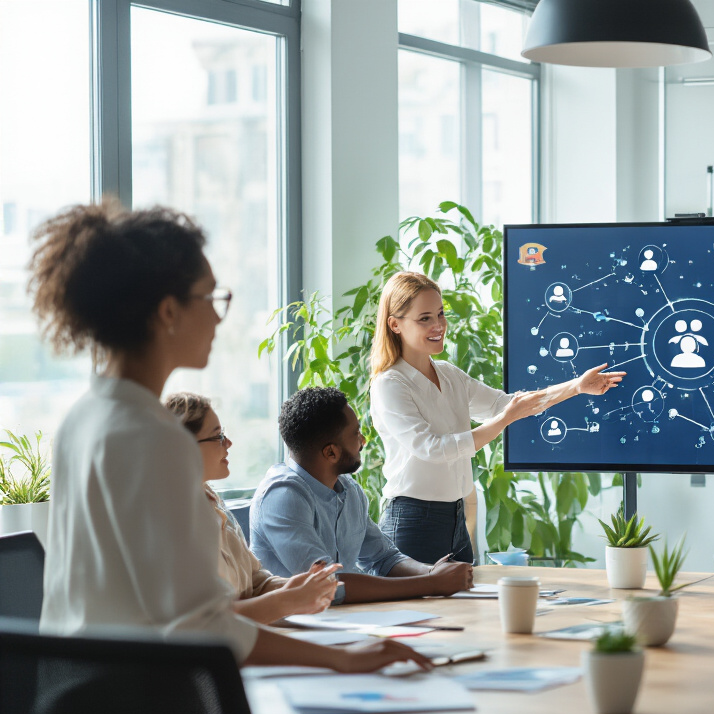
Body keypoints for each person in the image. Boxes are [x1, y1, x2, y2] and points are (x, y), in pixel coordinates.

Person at [30, 200, 424, 673]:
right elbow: (202, 628)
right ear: (168, 311)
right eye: (212, 299)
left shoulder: (85, 417)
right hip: (133, 712)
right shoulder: (153, 438)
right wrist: (343, 658)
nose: (220, 318)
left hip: (79, 698)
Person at [368, 271, 625, 563]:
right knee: (419, 610)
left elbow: (507, 404)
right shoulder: (390, 384)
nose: (439, 325)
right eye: (424, 318)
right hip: (413, 523)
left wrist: (576, 387)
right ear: (394, 324)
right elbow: (432, 449)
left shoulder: (449, 375)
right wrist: (503, 420)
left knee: (462, 610)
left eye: (440, 314)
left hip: (455, 520)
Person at [251, 386, 476, 602]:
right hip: (293, 629)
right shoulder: (283, 497)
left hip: (342, 621)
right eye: (356, 433)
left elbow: (385, 559)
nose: (363, 441)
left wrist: (434, 572)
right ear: (331, 452)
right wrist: (432, 584)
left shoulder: (348, 489)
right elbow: (329, 585)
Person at [165, 391, 341, 624]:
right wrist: (290, 600)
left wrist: (294, 587)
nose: (228, 443)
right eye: (218, 436)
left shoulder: (212, 500)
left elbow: (256, 582)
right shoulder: (171, 519)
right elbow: (209, 620)